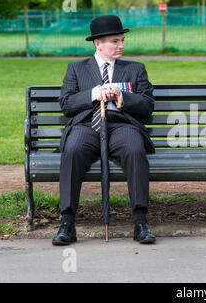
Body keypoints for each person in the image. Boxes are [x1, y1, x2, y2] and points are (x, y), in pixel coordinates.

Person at [52, 15, 156, 245]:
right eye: (114, 41)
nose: (121, 45)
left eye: (121, 40)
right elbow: (66, 105)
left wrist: (122, 96)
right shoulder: (76, 69)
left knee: (134, 149)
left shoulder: (135, 69)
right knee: (73, 149)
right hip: (87, 125)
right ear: (97, 43)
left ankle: (140, 222)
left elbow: (148, 106)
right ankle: (67, 223)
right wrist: (93, 94)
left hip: (122, 125)